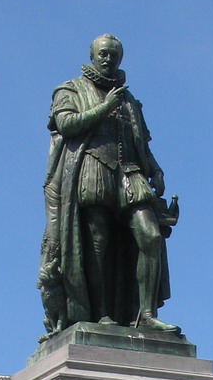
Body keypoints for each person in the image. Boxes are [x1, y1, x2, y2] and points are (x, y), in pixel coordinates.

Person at [38, 34, 180, 338]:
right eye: (103, 54)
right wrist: (105, 108)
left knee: (150, 236)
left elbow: (140, 140)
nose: (108, 59)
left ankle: (146, 315)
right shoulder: (70, 89)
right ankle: (100, 313)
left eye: (114, 55)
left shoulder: (129, 100)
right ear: (92, 55)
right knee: (97, 244)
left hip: (129, 172)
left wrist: (154, 168)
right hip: (92, 166)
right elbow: (66, 125)